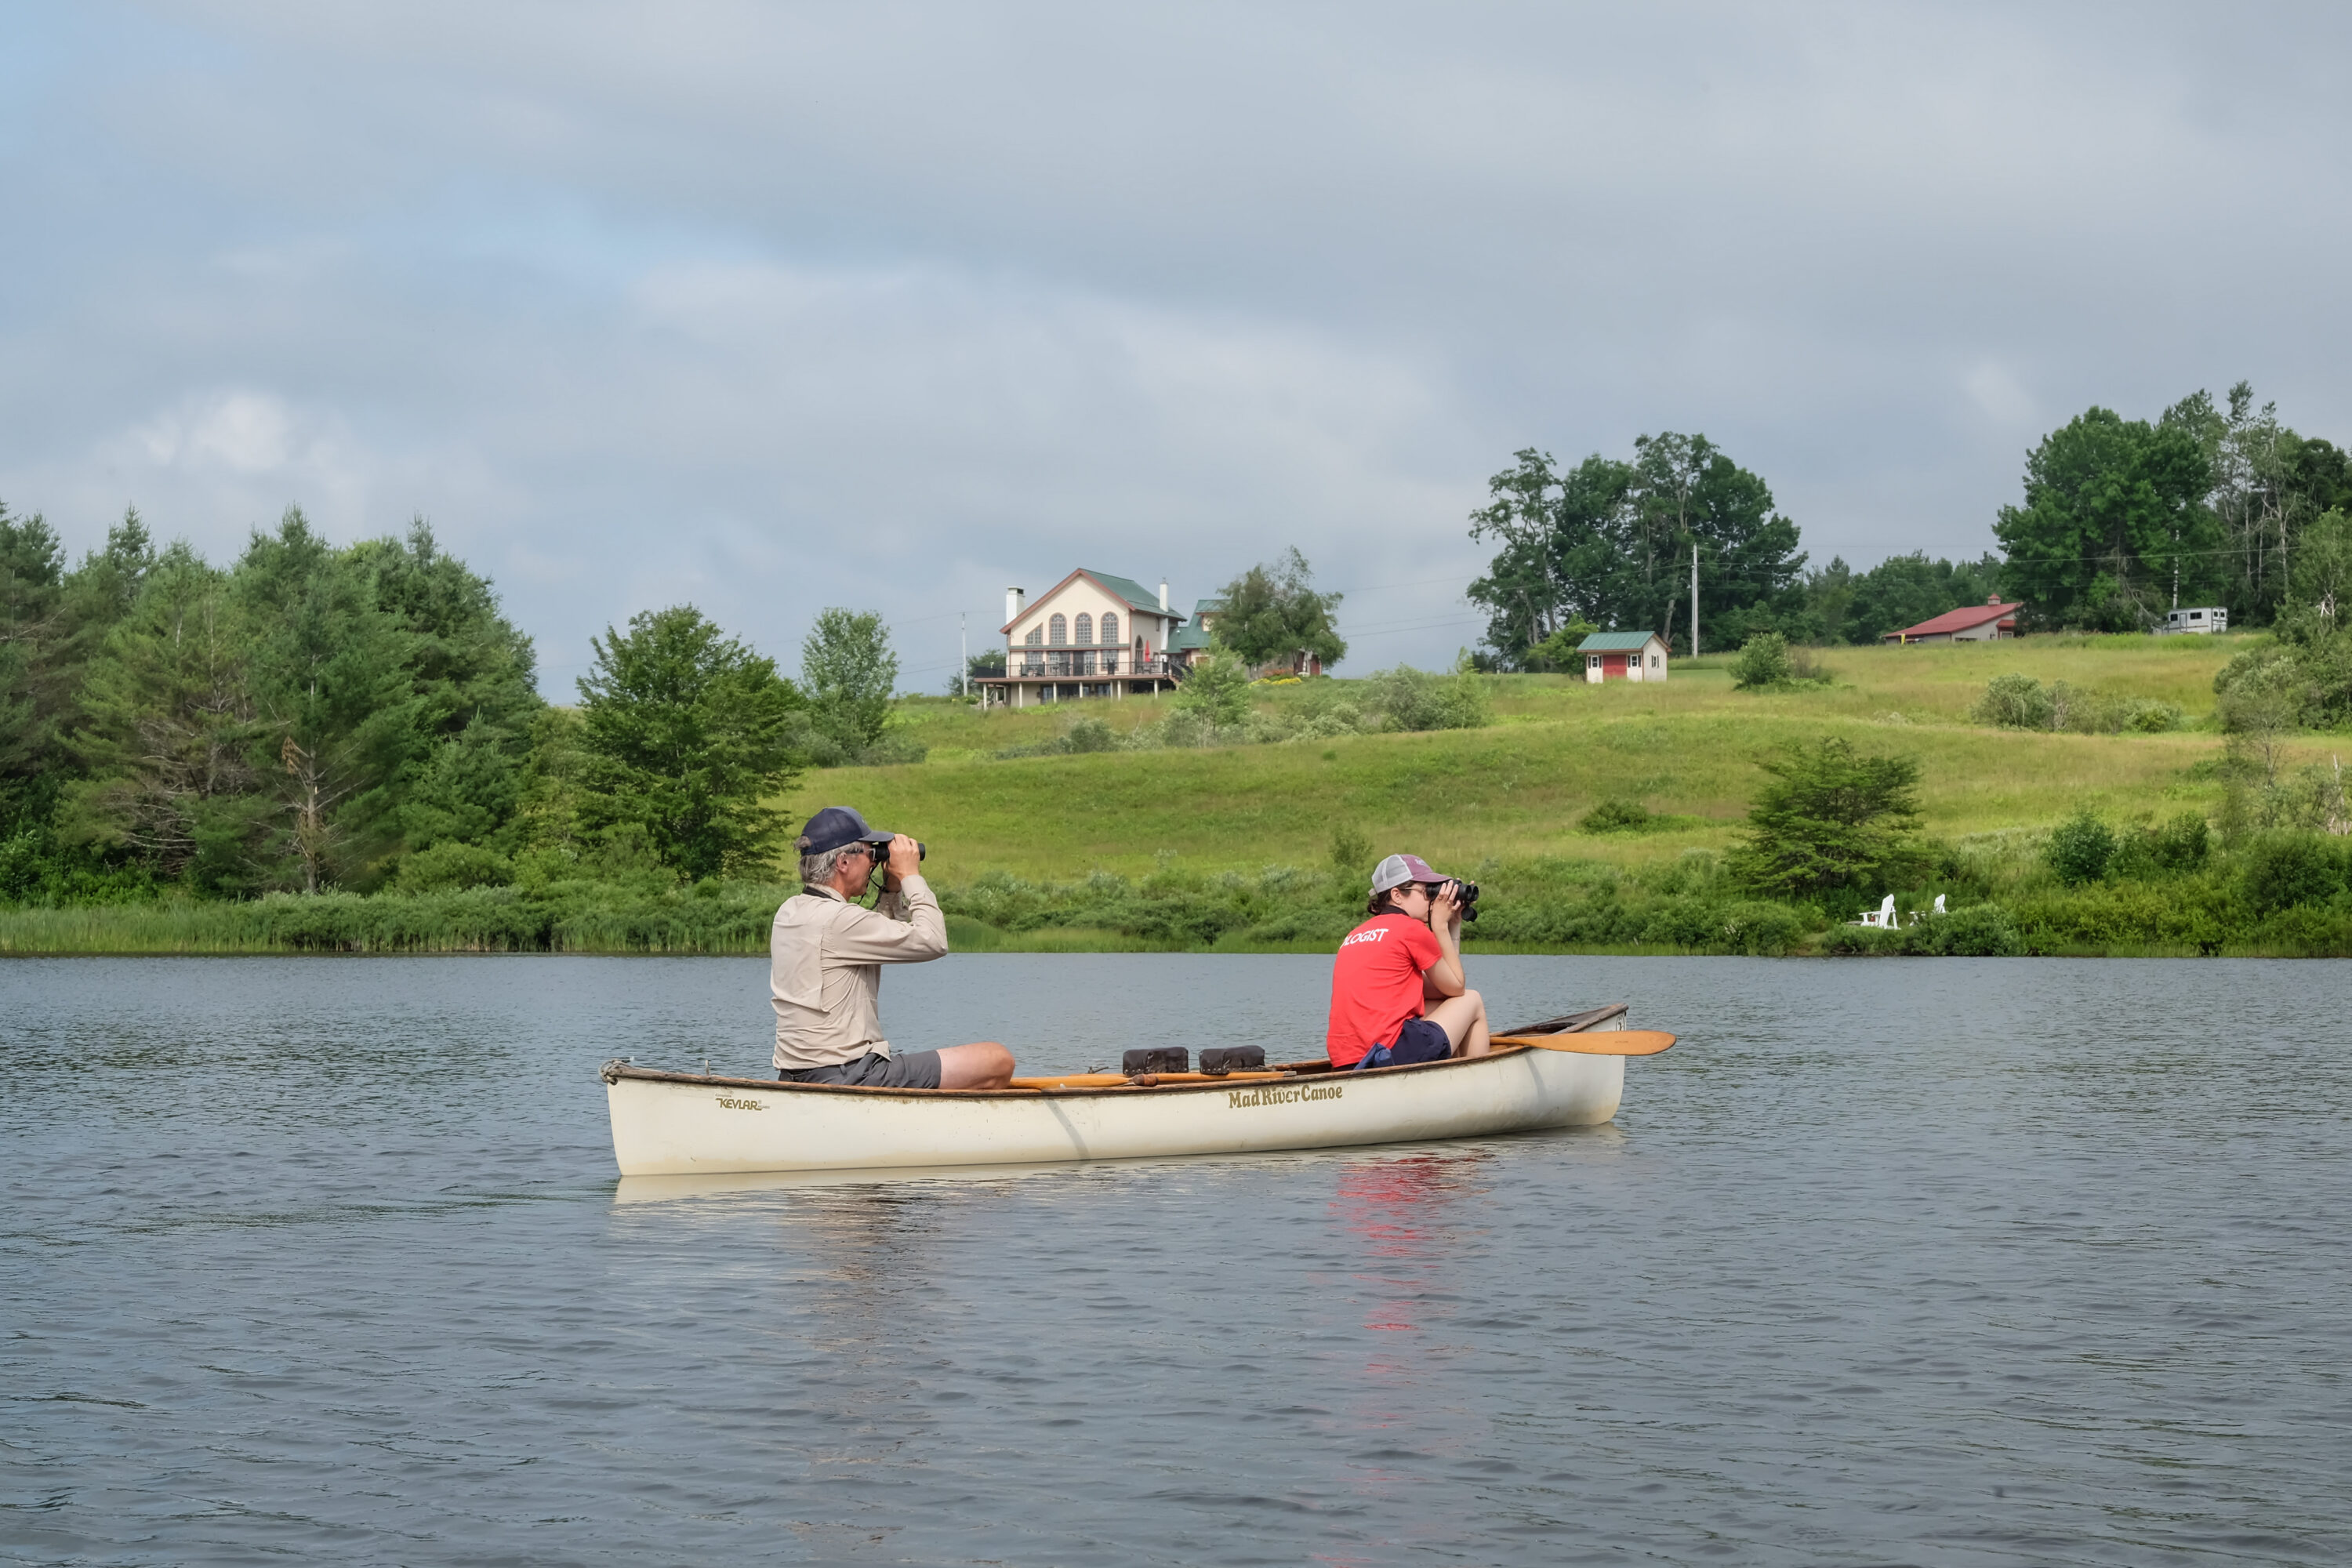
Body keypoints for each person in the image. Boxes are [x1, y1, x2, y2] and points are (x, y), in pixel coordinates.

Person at [771, 805, 1015, 1090]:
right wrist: (911, 876)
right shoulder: (839, 919)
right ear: (843, 862)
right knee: (997, 1060)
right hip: (850, 1074)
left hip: (797, 1074)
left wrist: (891, 891)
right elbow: (933, 941)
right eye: (869, 854)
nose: (874, 862)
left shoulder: (789, 913)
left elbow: (872, 936)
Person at [1324, 851, 1491, 1070]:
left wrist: (1454, 923)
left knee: (1442, 1002)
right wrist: (1440, 927)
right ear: (1397, 895)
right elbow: (1458, 987)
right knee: (1472, 999)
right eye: (1426, 892)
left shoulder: (1356, 934)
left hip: (1347, 1060)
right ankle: (1475, 1083)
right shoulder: (1411, 929)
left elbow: (1446, 989)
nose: (1432, 901)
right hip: (1389, 1051)